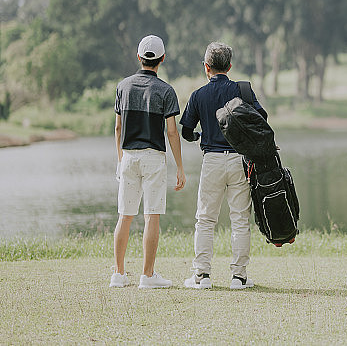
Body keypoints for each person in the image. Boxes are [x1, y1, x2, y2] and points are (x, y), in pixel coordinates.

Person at [180, 42, 267, 290]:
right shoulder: (243, 91)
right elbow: (262, 118)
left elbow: (185, 131)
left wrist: (199, 136)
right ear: (229, 67)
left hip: (212, 161)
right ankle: (239, 277)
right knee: (240, 219)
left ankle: (202, 275)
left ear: (206, 67)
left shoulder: (198, 95)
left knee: (206, 219)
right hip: (240, 159)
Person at [110, 35, 186, 289]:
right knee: (152, 216)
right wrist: (180, 167)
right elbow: (172, 132)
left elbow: (118, 128)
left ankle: (118, 274)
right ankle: (147, 275)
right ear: (162, 59)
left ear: (139, 57)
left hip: (128, 156)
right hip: (153, 157)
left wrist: (120, 159)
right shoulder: (166, 90)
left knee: (125, 215)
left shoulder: (123, 87)